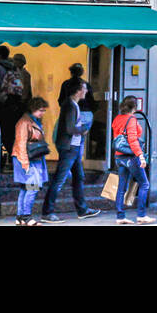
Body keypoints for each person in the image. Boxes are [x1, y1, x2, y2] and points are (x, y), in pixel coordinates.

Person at [41, 83, 100, 223]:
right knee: (59, 180)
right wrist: (83, 129)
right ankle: (47, 212)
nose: (86, 91)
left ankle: (82, 210)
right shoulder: (70, 106)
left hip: (72, 147)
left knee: (79, 177)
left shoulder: (73, 104)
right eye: (84, 88)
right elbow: (69, 128)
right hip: (69, 148)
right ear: (78, 91)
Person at [111, 96, 153, 225]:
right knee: (144, 184)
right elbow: (133, 139)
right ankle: (141, 215)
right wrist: (140, 156)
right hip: (131, 156)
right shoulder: (132, 119)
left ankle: (120, 217)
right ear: (135, 107)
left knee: (121, 187)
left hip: (119, 156)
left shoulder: (117, 118)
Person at [12, 96, 50, 225]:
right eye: (40, 110)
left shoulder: (32, 120)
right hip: (27, 159)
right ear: (33, 109)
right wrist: (25, 164)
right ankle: (27, 216)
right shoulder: (24, 122)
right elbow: (21, 143)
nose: (43, 113)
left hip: (32, 158)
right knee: (32, 187)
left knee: (25, 187)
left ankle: (20, 217)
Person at [0, 47, 24, 157]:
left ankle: (12, 158)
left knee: (3, 134)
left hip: (3, 105)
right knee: (12, 134)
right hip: (15, 105)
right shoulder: (15, 69)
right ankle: (16, 158)